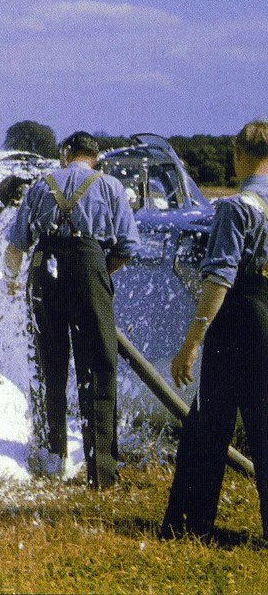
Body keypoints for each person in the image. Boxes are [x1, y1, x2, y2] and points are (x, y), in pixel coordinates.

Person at [4, 131, 140, 489]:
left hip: (44, 269)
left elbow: (15, 247)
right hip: (90, 264)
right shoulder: (110, 186)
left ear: (66, 154)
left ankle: (53, 459)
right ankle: (101, 473)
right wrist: (96, 275)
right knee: (98, 365)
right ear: (95, 157)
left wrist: (10, 281)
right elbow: (127, 247)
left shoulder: (40, 185)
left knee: (49, 362)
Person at [161, 119, 268, 542]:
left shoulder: (236, 207)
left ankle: (190, 521)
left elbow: (219, 279)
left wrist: (192, 342)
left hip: (240, 318)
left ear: (239, 154)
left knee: (209, 422)